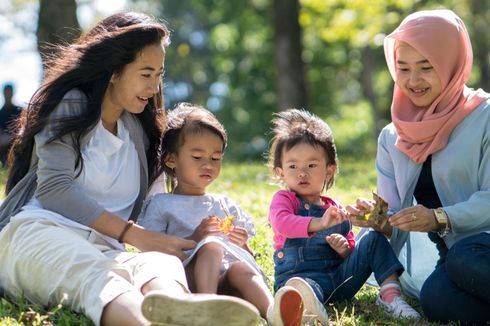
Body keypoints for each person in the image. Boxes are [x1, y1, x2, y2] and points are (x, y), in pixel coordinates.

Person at [0, 12, 261, 326]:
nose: (154, 86)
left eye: (159, 75)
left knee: (158, 264)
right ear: (114, 70)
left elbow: (155, 222)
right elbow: (55, 189)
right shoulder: (73, 105)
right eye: (146, 73)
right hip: (42, 235)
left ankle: (183, 311)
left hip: (108, 251)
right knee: (97, 279)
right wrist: (133, 234)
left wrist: (216, 244)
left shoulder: (141, 134)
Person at [352, 9, 490, 324]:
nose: (413, 81)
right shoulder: (392, 137)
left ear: (452, 64)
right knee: (436, 299)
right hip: (455, 260)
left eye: (426, 68)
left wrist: (439, 217)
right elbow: (393, 216)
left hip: (476, 251)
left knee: (465, 256)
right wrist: (377, 220)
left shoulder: (485, 118)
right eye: (403, 68)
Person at [138, 103, 305, 326]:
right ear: (171, 159)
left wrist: (243, 245)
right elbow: (152, 252)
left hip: (224, 281)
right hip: (186, 280)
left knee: (241, 267)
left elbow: (245, 256)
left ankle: (273, 312)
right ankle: (206, 308)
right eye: (197, 157)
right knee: (211, 246)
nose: (208, 164)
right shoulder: (162, 204)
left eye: (216, 158)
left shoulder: (224, 205)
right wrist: (195, 240)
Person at [267, 108, 420, 324]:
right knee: (302, 288)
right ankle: (303, 306)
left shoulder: (334, 209)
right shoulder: (285, 200)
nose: (302, 172)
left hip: (339, 281)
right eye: (293, 166)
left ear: (328, 171)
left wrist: (344, 250)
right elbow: (282, 223)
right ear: (280, 171)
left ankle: (390, 296)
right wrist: (320, 223)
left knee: (373, 239)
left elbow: (348, 251)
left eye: (311, 165)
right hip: (300, 279)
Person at [0, 83, 22, 166]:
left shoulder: (20, 111)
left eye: (9, 92)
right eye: (6, 92)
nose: (8, 94)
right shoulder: (1, 113)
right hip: (4, 150)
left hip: (18, 146)